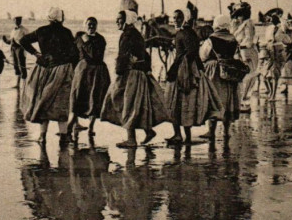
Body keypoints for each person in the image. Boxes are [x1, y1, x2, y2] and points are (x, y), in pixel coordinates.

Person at [101, 10, 169, 148]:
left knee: (128, 104)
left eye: (120, 19)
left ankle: (131, 139)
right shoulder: (136, 34)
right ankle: (148, 131)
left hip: (130, 74)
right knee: (136, 104)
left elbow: (123, 56)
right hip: (138, 74)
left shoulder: (127, 35)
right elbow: (145, 55)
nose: (117, 21)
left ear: (127, 20)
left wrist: (119, 71)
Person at [20, 7, 79, 144]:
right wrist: (72, 68)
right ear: (61, 19)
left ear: (49, 18)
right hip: (62, 70)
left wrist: (36, 54)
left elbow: (23, 41)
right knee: (61, 105)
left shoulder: (42, 31)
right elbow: (75, 54)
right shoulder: (66, 32)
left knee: (43, 102)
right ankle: (64, 137)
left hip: (44, 70)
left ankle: (42, 136)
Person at [164, 9, 215, 146]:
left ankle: (178, 135)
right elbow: (194, 53)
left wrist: (172, 70)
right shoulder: (191, 33)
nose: (175, 20)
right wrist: (200, 69)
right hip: (192, 71)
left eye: (178, 18)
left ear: (184, 19)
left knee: (174, 102)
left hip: (183, 71)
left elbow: (185, 54)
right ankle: (186, 136)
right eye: (174, 17)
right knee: (187, 103)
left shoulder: (181, 33)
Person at [199, 15, 240, 148]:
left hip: (214, 71)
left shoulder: (211, 39)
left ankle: (211, 132)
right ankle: (226, 132)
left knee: (214, 99)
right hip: (229, 71)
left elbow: (203, 55)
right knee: (228, 101)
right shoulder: (233, 38)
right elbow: (237, 55)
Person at [67, 17, 110, 138]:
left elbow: (94, 55)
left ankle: (91, 127)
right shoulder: (79, 38)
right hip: (82, 72)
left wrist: (86, 41)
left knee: (95, 98)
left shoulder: (100, 39)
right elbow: (73, 54)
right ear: (84, 25)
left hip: (97, 72)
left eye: (93, 25)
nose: (91, 27)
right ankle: (72, 125)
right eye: (89, 24)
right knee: (78, 96)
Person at [231, 2, 258, 112]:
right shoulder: (240, 25)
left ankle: (244, 101)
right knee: (241, 78)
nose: (238, 18)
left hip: (246, 51)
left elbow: (249, 39)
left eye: (239, 15)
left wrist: (243, 51)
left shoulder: (248, 23)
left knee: (249, 76)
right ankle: (240, 101)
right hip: (240, 52)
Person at [258, 14, 284, 101]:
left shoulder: (281, 28)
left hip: (277, 51)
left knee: (274, 75)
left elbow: (286, 39)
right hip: (269, 50)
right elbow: (267, 39)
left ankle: (273, 94)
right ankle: (270, 91)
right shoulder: (269, 29)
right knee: (265, 74)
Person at [7, 16, 28, 88]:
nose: (17, 22)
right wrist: (6, 40)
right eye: (16, 21)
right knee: (16, 65)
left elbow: (27, 40)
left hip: (20, 49)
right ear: (13, 21)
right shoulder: (12, 30)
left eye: (19, 20)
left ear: (21, 21)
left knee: (22, 65)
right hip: (13, 48)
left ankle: (24, 84)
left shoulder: (24, 30)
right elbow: (10, 41)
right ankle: (17, 84)